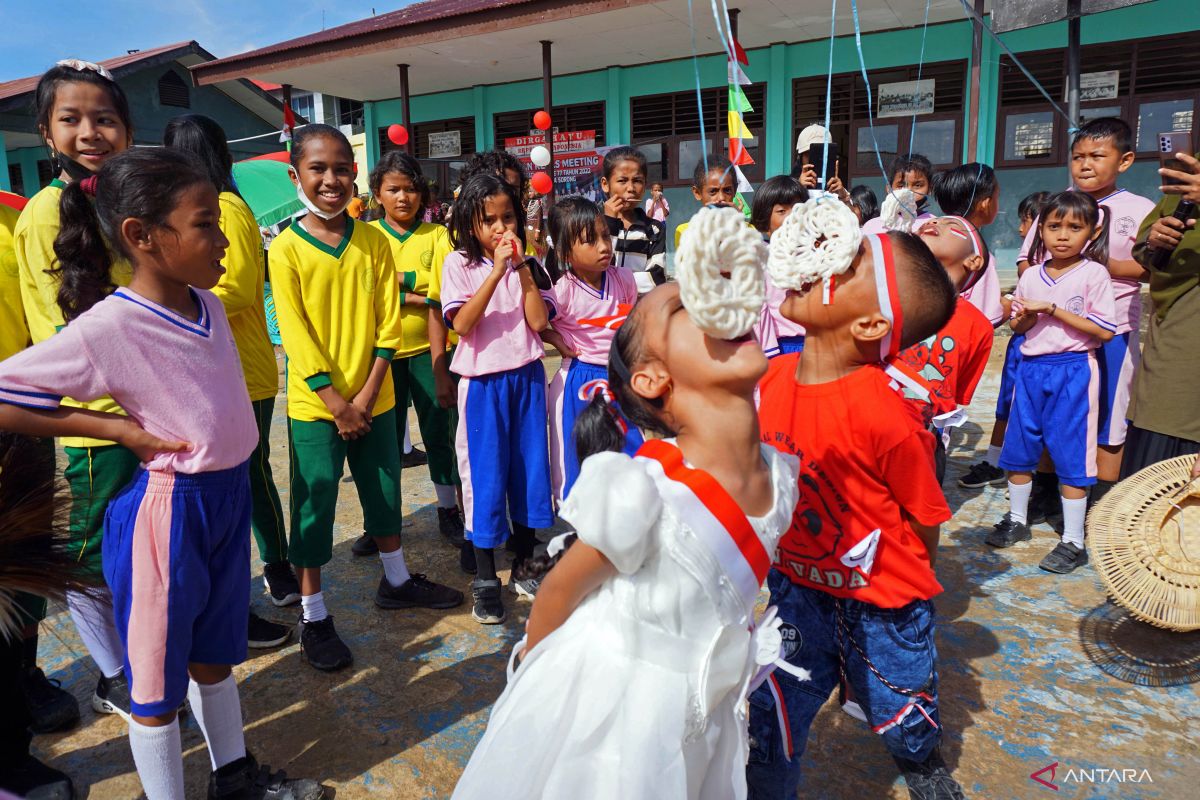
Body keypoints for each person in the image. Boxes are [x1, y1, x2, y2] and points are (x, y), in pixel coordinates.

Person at [0, 147, 323, 800]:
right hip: (171, 516)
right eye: (205, 222)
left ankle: (234, 779)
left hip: (226, 502)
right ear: (141, 236)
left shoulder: (204, 302)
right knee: (154, 684)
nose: (225, 235)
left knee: (215, 658)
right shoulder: (110, 325)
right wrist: (113, 428)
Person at [452, 283, 799, 800]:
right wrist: (534, 681)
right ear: (653, 379)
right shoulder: (643, 486)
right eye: (686, 307)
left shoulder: (780, 473)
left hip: (704, 719)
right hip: (616, 719)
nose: (717, 303)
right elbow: (559, 592)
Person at [747, 228, 962, 800]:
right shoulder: (767, 382)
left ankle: (921, 760)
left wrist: (912, 589)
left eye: (847, 265)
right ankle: (767, 782)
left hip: (883, 605)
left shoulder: (888, 415)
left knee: (901, 702)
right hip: (795, 588)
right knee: (775, 702)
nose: (822, 262)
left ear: (870, 325)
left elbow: (924, 518)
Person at [269, 125, 462, 672]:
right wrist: (334, 399)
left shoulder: (373, 240)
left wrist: (372, 388)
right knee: (315, 503)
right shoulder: (284, 249)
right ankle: (313, 612)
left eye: (340, 168)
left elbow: (385, 321)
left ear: (355, 175)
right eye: (318, 169)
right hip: (316, 405)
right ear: (296, 176)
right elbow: (297, 334)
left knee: (384, 490)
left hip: (373, 397)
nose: (331, 179)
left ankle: (397, 579)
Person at [13, 59, 136, 722]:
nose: (91, 131)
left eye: (105, 117)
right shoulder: (39, 219)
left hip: (148, 408)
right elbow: (58, 337)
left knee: (138, 544)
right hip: (95, 422)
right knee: (90, 555)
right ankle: (112, 672)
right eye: (73, 118)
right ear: (46, 132)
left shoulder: (126, 203)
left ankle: (145, 649)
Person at [162, 114, 298, 649]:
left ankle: (278, 564)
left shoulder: (230, 208)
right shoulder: (180, 212)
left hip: (245, 370)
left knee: (251, 476)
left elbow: (240, 287)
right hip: (201, 370)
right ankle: (230, 596)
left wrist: (171, 296)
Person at [1016, 118, 1155, 502]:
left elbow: (1149, 267)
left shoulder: (1140, 209)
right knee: (1048, 414)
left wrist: (1092, 267)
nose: (1086, 165)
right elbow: (1027, 261)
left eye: (1097, 155)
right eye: (1078, 157)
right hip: (1051, 335)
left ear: (1124, 160)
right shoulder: (1055, 207)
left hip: (1109, 329)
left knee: (1110, 412)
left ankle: (1099, 501)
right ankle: (1046, 494)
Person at [441, 173, 555, 624]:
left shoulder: (527, 262)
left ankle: (525, 561)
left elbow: (539, 321)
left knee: (529, 470)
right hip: (483, 385)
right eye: (489, 220)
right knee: (485, 478)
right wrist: (494, 272)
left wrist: (522, 268)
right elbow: (462, 324)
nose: (501, 228)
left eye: (508, 217)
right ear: (471, 224)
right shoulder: (458, 265)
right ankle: (486, 577)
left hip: (526, 376)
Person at [989, 192, 1116, 573]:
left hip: (1074, 369)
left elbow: (1104, 331)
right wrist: (1023, 314)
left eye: (1074, 227)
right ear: (1040, 231)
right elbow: (1019, 326)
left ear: (1091, 233)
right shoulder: (1030, 275)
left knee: (1071, 453)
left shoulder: (1094, 273)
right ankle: (1017, 518)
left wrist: (1053, 310)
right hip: (1031, 369)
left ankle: (1074, 540)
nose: (1063, 236)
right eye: (1054, 226)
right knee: (1020, 446)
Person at [362, 151, 466, 561]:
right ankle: (380, 523)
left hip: (428, 350)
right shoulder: (366, 237)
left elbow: (443, 294)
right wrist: (415, 294)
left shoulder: (437, 236)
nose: (403, 197)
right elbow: (370, 291)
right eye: (393, 189)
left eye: (410, 189)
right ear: (377, 194)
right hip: (380, 356)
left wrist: (404, 293)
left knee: (439, 435)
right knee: (382, 444)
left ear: (422, 193)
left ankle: (447, 509)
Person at [541, 197, 641, 505]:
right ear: (564, 252)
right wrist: (557, 339)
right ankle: (579, 529)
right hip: (578, 381)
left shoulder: (624, 279)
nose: (603, 246)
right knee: (577, 459)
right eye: (590, 241)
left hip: (620, 378)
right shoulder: (562, 291)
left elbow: (631, 324)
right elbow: (535, 323)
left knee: (630, 451)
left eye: (605, 236)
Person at [959, 190, 1052, 491]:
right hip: (1019, 343)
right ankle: (997, 461)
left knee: (1031, 411)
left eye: (1026, 222)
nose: (1021, 230)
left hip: (1041, 351)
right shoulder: (1029, 269)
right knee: (1006, 405)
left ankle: (1030, 469)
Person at [899, 216, 996, 484]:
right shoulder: (885, 299)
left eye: (950, 226)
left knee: (919, 516)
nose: (935, 223)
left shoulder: (979, 327)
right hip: (869, 427)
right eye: (933, 221)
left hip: (925, 438)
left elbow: (954, 394)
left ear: (973, 260)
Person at [1121, 150, 1200, 474]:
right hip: (1173, 335)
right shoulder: (1191, 176)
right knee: (1153, 482)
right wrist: (1155, 239)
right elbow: (1146, 249)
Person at [933, 163, 1005, 326]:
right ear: (985, 204)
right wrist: (1008, 307)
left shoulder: (928, 235)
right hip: (957, 341)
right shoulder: (979, 256)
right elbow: (987, 317)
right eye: (997, 196)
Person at [751, 176, 808, 355]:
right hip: (778, 346)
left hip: (813, 343)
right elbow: (759, 309)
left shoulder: (813, 255)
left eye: (798, 209)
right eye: (782, 211)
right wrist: (770, 352)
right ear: (765, 219)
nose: (791, 217)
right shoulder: (759, 256)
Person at [602, 146, 666, 295]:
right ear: (605, 184)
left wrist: (611, 283)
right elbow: (596, 270)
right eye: (622, 180)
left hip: (637, 311)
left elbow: (656, 278)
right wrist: (609, 224)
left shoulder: (654, 229)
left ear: (644, 187)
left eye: (637, 181)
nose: (631, 188)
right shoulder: (593, 224)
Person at [674, 155, 738, 249]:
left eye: (727, 190)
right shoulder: (686, 232)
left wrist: (737, 228)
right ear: (697, 193)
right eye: (713, 191)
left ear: (735, 190)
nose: (721, 198)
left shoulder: (747, 230)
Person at [862, 154, 935, 235]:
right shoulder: (871, 227)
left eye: (917, 185)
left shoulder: (933, 225)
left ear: (929, 189)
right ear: (889, 189)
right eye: (901, 186)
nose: (908, 192)